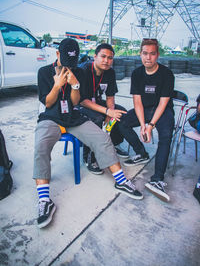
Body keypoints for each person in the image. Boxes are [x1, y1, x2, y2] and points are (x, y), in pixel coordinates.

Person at [33, 38, 143, 229]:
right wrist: (57, 85)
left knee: (102, 137)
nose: (70, 67)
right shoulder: (44, 72)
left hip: (73, 117)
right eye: (67, 62)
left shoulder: (79, 71)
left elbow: (75, 102)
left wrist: (75, 85)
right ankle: (44, 200)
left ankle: (121, 181)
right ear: (58, 55)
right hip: (51, 117)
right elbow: (48, 103)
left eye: (73, 63)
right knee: (41, 145)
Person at [118, 38, 175, 202]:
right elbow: (137, 102)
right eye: (144, 53)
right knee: (123, 123)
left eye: (152, 54)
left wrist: (150, 126)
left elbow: (163, 103)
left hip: (161, 110)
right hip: (143, 108)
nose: (148, 57)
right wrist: (143, 126)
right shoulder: (137, 73)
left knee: (166, 136)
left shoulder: (166, 74)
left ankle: (157, 179)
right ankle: (141, 152)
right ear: (140, 54)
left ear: (157, 55)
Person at [80, 43, 129, 175]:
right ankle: (89, 156)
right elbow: (83, 101)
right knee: (97, 118)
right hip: (80, 105)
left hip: (98, 102)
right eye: (103, 56)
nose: (106, 61)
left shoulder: (110, 72)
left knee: (121, 113)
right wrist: (106, 112)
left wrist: (110, 113)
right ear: (95, 56)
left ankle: (112, 143)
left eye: (110, 58)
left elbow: (110, 97)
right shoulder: (84, 70)